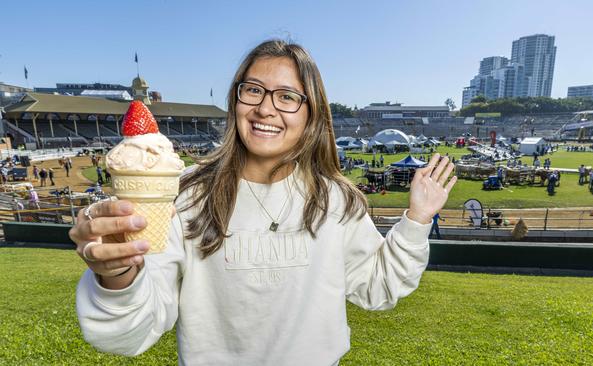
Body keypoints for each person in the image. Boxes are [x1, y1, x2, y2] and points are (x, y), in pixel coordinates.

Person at [70, 40, 458, 365]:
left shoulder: (336, 200)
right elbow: (129, 334)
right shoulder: (184, 195)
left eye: (287, 96)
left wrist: (417, 219)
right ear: (236, 99)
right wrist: (116, 274)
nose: (266, 108)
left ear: (311, 115)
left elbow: (378, 288)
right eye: (253, 89)